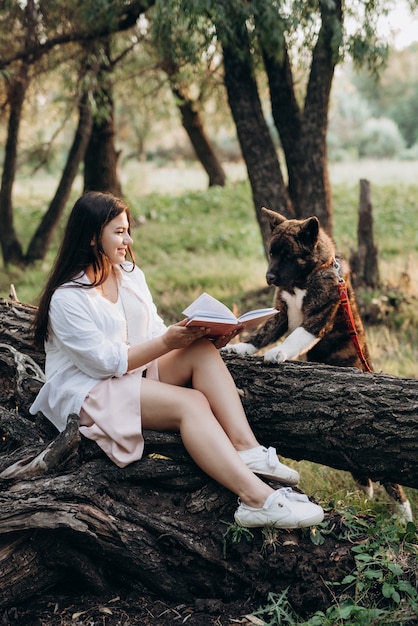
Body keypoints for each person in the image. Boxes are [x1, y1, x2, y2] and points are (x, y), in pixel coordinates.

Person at [30, 191, 324, 529]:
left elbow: (152, 329)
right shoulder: (68, 298)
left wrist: (201, 336)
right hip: (89, 391)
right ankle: (257, 500)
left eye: (128, 230)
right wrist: (168, 341)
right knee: (192, 403)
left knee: (200, 351)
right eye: (119, 232)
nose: (129, 239)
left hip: (131, 373)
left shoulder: (127, 273)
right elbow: (104, 364)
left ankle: (247, 449)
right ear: (93, 236)